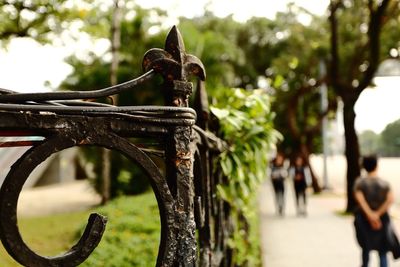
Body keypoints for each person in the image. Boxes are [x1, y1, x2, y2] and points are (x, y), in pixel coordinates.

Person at [354, 155, 400, 267]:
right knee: (382, 250)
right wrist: (377, 215)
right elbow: (390, 199)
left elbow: (361, 201)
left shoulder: (360, 183)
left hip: (364, 219)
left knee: (366, 248)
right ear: (376, 166)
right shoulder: (384, 183)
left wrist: (370, 215)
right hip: (383, 219)